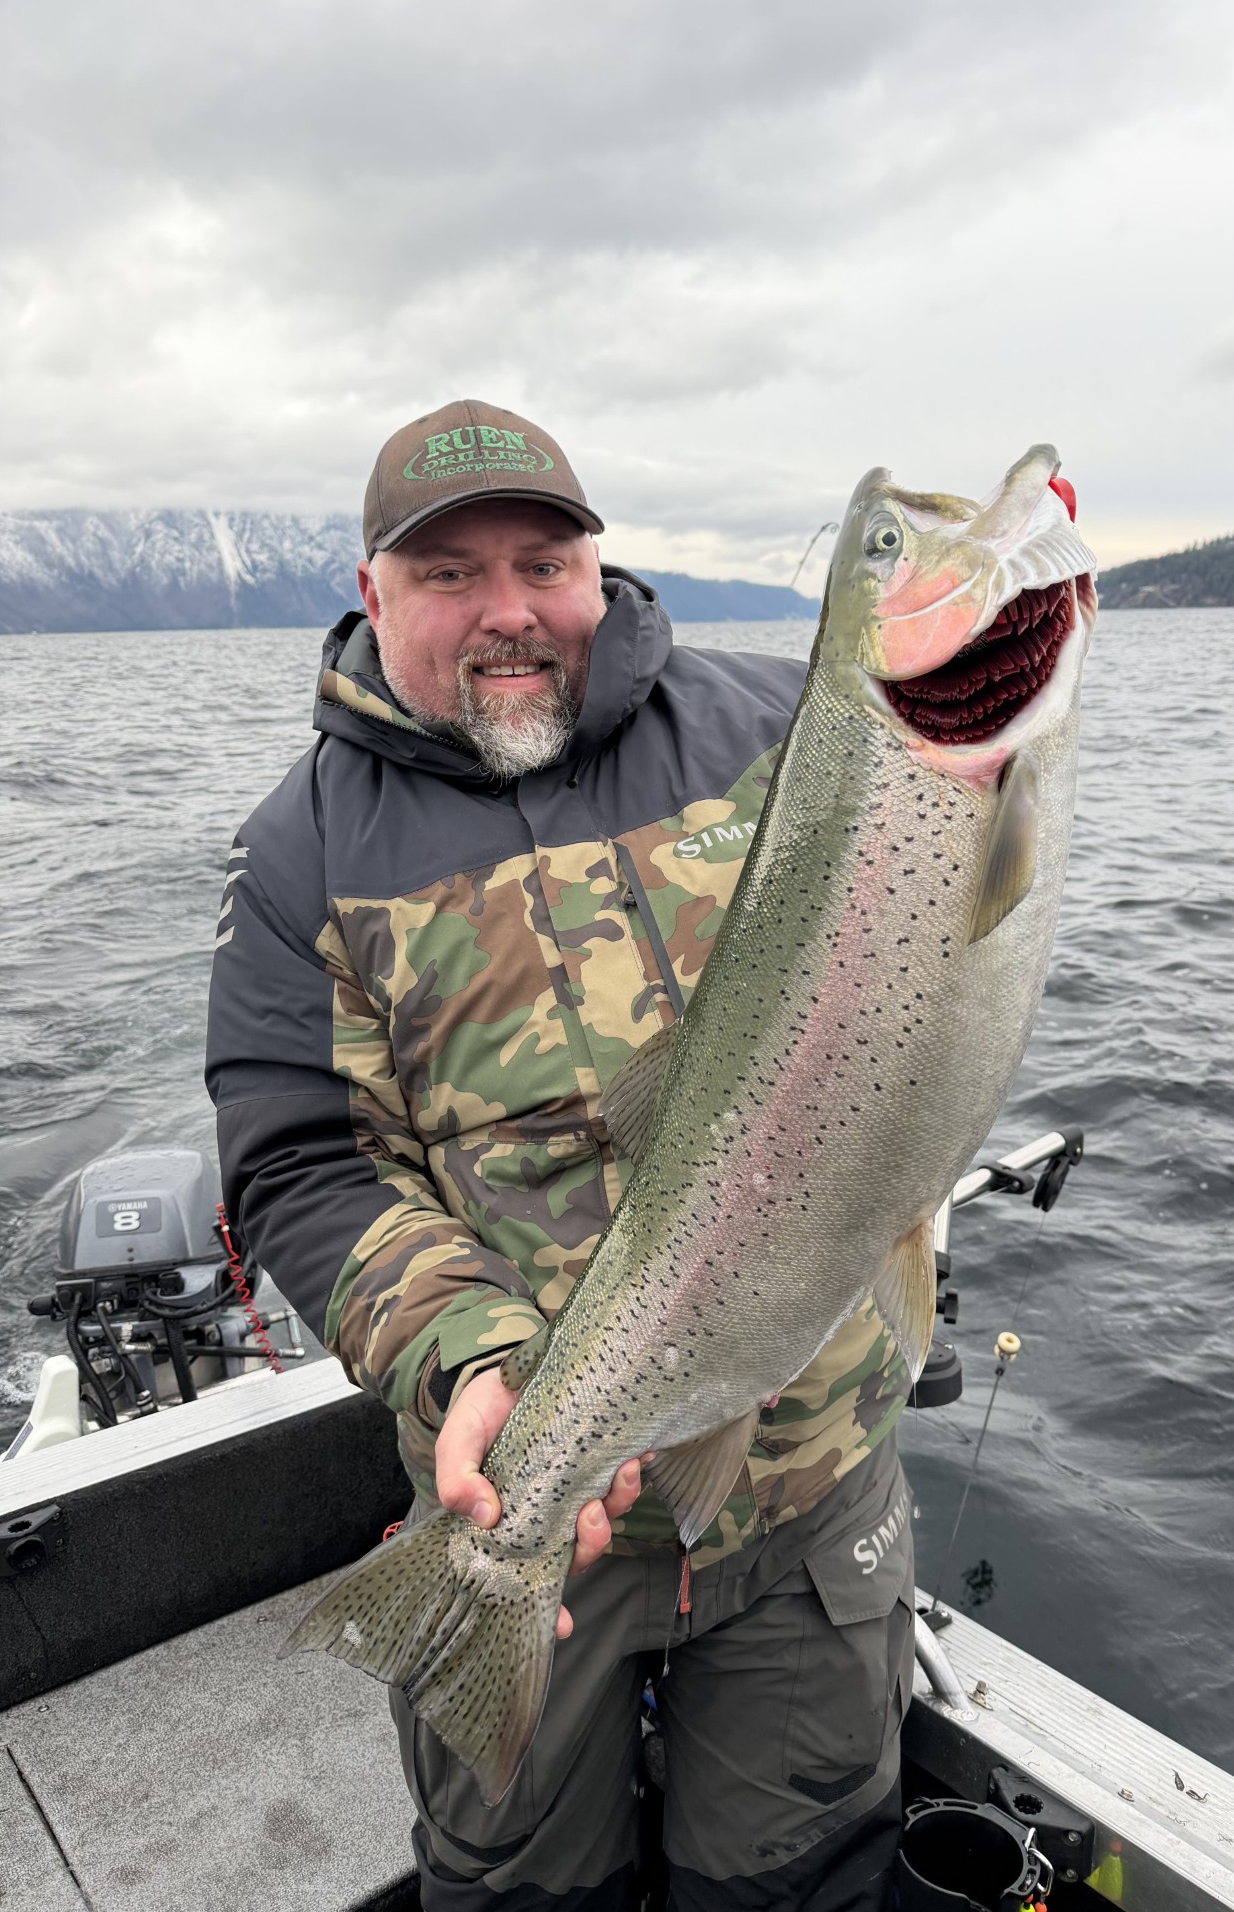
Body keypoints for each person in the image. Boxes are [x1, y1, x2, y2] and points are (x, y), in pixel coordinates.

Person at [206, 399, 917, 1911]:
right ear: (369, 590)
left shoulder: (779, 733)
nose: (508, 612)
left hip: (806, 1486)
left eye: (544, 561)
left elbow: (938, 942)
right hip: (516, 1508)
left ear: (601, 565)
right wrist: (472, 1354)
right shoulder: (302, 857)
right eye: (450, 574)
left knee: (804, 1881)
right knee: (518, 1890)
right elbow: (301, 1167)